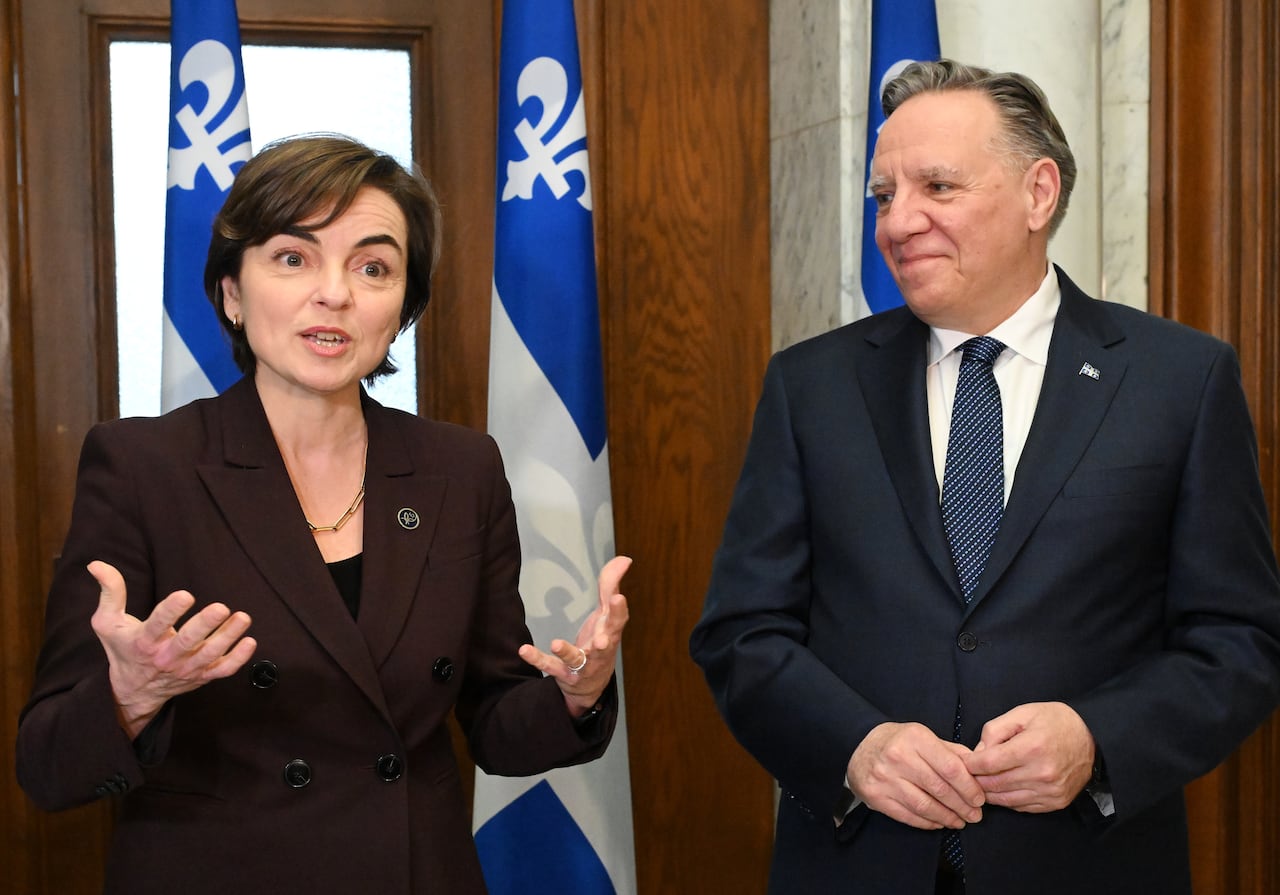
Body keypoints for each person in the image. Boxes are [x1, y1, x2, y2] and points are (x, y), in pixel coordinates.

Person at [690, 59, 1280, 895]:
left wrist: (1097, 738)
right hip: (858, 867)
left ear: (1038, 194)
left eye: (937, 185)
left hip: (1088, 868)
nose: (899, 222)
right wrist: (854, 747)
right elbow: (740, 633)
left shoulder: (1179, 381)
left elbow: (1241, 641)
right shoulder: (810, 386)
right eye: (884, 195)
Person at [16, 134, 630, 895]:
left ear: (403, 306)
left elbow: (497, 723)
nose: (334, 293)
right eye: (293, 257)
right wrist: (129, 696)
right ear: (233, 293)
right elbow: (45, 766)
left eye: (373, 267)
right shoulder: (145, 467)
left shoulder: (460, 469)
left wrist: (574, 694)